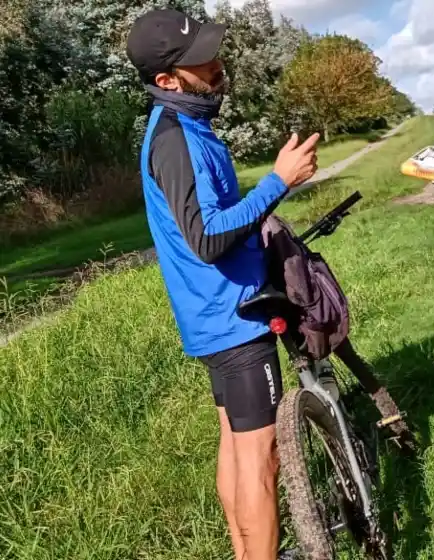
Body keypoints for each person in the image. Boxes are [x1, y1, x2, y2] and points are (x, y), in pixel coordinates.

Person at [126, 9, 319, 560]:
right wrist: (278, 182)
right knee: (263, 457)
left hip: (215, 317)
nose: (216, 64)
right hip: (234, 319)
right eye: (199, 61)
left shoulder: (184, 128)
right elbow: (207, 238)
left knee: (237, 449)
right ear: (168, 81)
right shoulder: (174, 139)